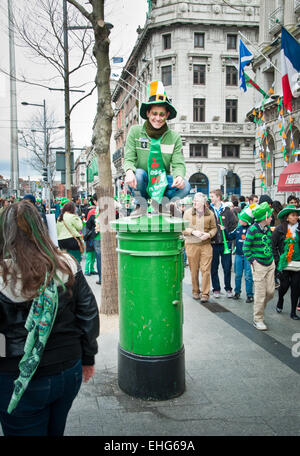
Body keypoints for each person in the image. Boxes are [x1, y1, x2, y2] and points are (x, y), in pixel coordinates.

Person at [0, 200, 99, 436]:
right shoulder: (66, 264)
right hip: (68, 369)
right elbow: (88, 314)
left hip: (16, 379)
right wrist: (88, 357)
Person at [124, 80, 191, 216]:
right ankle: (140, 205)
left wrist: (179, 176)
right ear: (148, 113)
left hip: (162, 182)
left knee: (186, 185)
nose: (158, 118)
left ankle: (160, 205)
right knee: (139, 174)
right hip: (142, 181)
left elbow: (179, 163)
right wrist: (129, 171)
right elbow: (129, 157)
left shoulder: (174, 137)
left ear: (167, 115)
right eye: (154, 113)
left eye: (162, 114)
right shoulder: (135, 132)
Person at [243, 202, 275, 331]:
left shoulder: (268, 229)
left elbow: (269, 245)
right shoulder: (253, 229)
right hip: (259, 266)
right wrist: (253, 261)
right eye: (270, 216)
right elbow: (246, 248)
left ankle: (259, 306)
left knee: (271, 292)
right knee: (260, 294)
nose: (272, 218)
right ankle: (258, 319)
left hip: (270, 263)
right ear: (265, 217)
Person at [183, 193, 217, 302]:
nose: (194, 202)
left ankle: (205, 294)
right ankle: (195, 291)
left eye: (196, 201)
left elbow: (214, 228)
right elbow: (183, 229)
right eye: (194, 201)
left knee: (206, 270)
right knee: (194, 270)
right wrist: (193, 231)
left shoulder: (210, 214)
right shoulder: (188, 213)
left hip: (206, 245)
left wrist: (209, 234)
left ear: (203, 203)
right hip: (191, 245)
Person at [220, 206, 255, 303]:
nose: (240, 220)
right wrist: (224, 230)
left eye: (242, 219)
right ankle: (237, 292)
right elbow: (230, 237)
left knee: (248, 276)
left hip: (248, 256)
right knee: (238, 274)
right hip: (239, 255)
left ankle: (249, 294)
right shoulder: (238, 229)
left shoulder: (251, 229)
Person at [272, 204, 300, 320]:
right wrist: (278, 261)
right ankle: (280, 299)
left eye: (296, 215)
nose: (295, 217)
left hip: (298, 263)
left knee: (296, 287)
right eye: (293, 215)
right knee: (284, 286)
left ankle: (293, 312)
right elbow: (273, 246)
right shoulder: (280, 229)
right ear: (287, 217)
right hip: (284, 263)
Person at [209, 189, 238, 298]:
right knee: (214, 267)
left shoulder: (227, 211)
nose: (210, 198)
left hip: (225, 244)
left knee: (227, 267)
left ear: (218, 197)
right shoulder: (209, 210)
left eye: (212, 196)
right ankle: (216, 289)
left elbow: (234, 226)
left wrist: (228, 233)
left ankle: (228, 288)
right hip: (213, 243)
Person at [86, 194, 101, 285]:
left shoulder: (93, 211)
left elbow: (88, 225)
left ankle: (101, 278)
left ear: (95, 201)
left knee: (99, 258)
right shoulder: (109, 208)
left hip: (97, 237)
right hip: (106, 237)